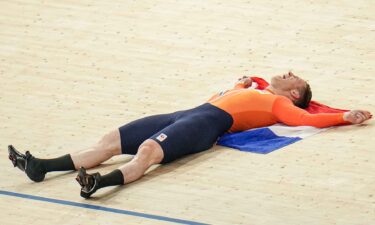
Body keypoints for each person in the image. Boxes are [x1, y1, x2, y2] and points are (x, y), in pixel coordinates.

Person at [8, 72, 372, 198]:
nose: (289, 73)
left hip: (205, 125)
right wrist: (238, 84)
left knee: (149, 151)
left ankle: (99, 183)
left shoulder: (280, 106)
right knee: (111, 140)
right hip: (187, 112)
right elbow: (226, 95)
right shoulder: (256, 90)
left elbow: (309, 121)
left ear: (295, 95)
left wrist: (343, 117)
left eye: (296, 78)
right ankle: (42, 166)